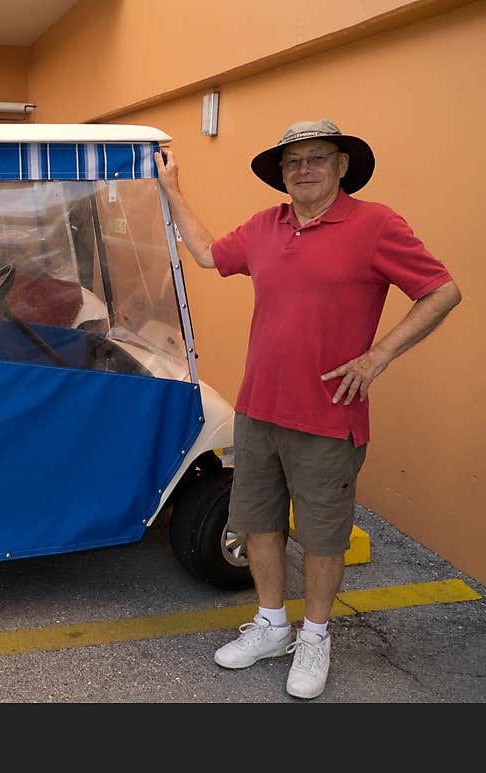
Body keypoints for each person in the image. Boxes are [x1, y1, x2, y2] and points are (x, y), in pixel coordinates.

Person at [154, 119, 461, 699]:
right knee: (259, 522)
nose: (303, 169)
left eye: (317, 158)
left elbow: (442, 289)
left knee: (323, 536)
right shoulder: (266, 226)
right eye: (292, 162)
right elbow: (204, 254)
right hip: (258, 409)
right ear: (281, 174)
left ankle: (315, 635)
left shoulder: (376, 225)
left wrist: (377, 357)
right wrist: (172, 189)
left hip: (328, 416)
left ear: (342, 165)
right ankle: (271, 625)